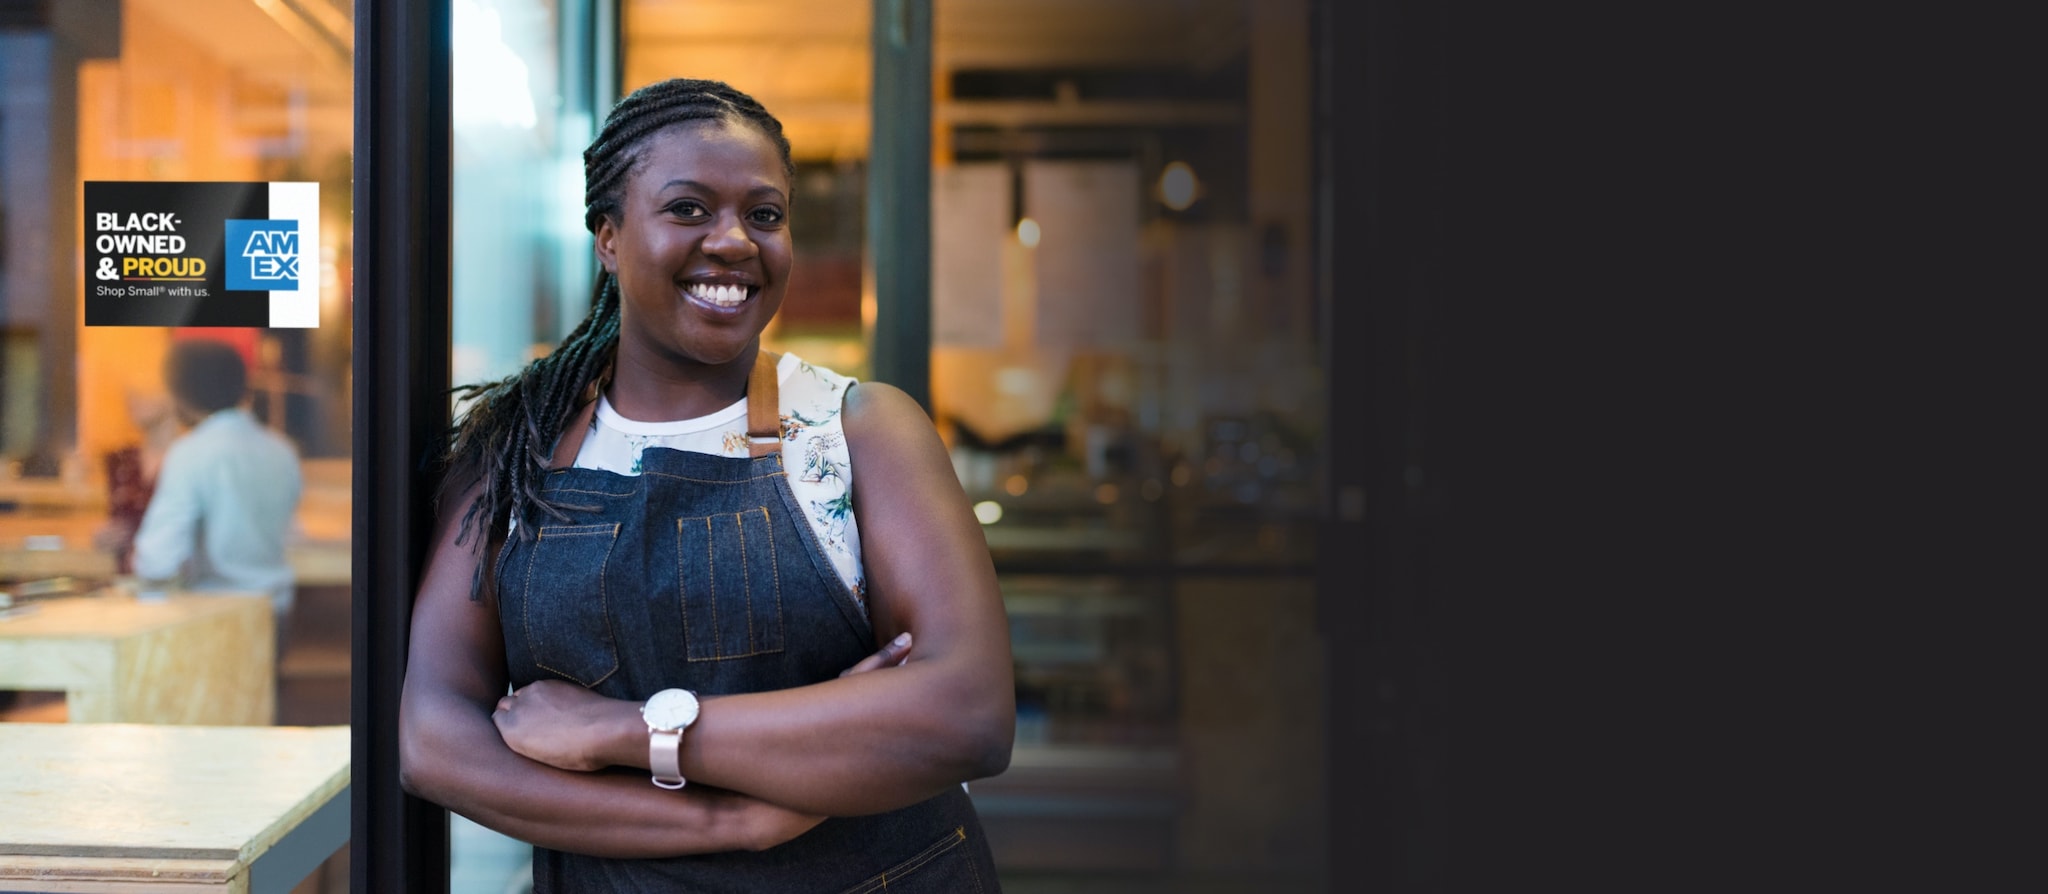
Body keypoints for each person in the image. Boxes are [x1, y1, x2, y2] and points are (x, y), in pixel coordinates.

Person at [399, 78, 1016, 891]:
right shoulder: (517, 453)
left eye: (764, 215)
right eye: (688, 208)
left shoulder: (860, 430)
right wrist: (735, 821)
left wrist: (628, 733)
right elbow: (435, 743)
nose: (733, 241)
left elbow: (966, 715)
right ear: (609, 237)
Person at [130, 338, 303, 625]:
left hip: (215, 618)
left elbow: (156, 561)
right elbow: (291, 532)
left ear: (182, 393)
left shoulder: (191, 452)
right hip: (276, 613)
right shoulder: (281, 450)